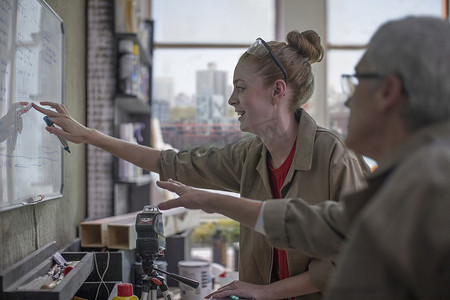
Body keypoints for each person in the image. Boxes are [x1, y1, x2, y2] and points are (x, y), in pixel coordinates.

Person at [32, 29, 369, 299]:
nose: (231, 100)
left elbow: (351, 260)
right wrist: (91, 136)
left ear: (277, 91)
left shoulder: (335, 158)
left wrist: (267, 293)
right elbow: (172, 162)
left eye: (240, 88)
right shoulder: (249, 155)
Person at [156, 16, 450, 300]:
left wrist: (208, 201)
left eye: (356, 81)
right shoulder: (411, 177)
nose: (347, 99)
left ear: (388, 91)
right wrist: (208, 200)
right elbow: (322, 225)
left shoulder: (430, 184)